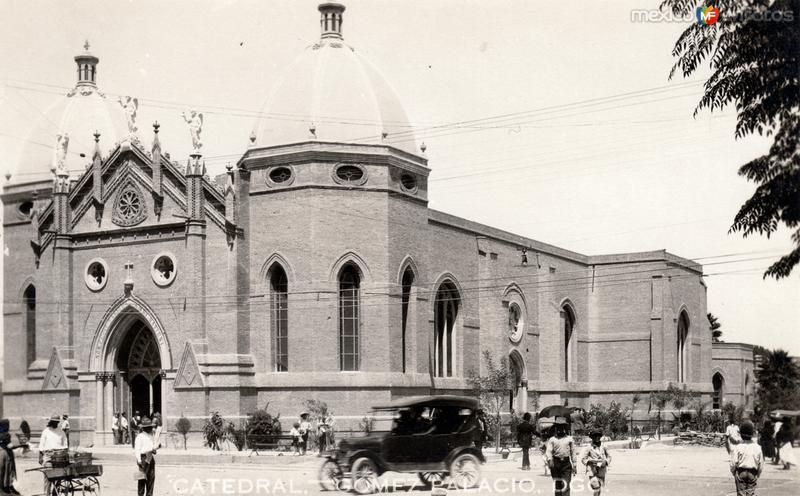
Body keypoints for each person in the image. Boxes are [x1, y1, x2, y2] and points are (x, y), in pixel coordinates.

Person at [729, 420, 763, 496]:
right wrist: (758, 473)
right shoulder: (757, 447)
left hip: (741, 472)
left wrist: (733, 472)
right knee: (750, 494)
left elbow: (733, 463)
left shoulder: (738, 447)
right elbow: (761, 463)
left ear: (741, 434)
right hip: (753, 472)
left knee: (741, 494)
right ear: (752, 434)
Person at [544, 417, 576, 496]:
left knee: (566, 485)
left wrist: (574, 464)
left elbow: (573, 452)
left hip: (566, 464)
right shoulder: (552, 439)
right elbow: (548, 451)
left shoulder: (569, 439)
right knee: (558, 485)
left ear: (564, 428)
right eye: (558, 426)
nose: (560, 429)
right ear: (556, 427)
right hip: (556, 463)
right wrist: (550, 459)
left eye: (562, 427)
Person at [39, 414, 68, 496]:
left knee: (59, 476)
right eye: (54, 422)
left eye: (57, 422)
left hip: (59, 456)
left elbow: (65, 444)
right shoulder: (46, 431)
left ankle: (56, 493)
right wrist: (40, 457)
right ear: (51, 422)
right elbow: (41, 445)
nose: (56, 424)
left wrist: (63, 452)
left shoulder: (61, 431)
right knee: (48, 476)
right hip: (48, 456)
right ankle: (46, 494)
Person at [134, 417, 160, 496]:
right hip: (143, 458)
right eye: (150, 427)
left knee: (151, 478)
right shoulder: (140, 436)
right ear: (145, 428)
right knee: (142, 479)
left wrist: (155, 448)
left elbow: (151, 446)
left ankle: (149, 494)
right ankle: (140, 494)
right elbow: (137, 449)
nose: (151, 428)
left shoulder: (150, 436)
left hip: (150, 457)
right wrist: (139, 460)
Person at [581, 429, 611, 496]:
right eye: (595, 436)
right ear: (592, 437)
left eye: (598, 436)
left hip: (601, 469)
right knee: (595, 486)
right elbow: (583, 459)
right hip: (592, 469)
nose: (597, 437)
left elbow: (609, 456)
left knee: (599, 486)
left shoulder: (604, 446)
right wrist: (589, 462)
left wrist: (606, 462)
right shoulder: (589, 447)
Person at [1, 418, 23, 495]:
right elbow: (10, 446)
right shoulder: (5, 434)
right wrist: (21, 445)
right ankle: (7, 487)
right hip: (6, 454)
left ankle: (3, 487)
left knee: (2, 471)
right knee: (8, 470)